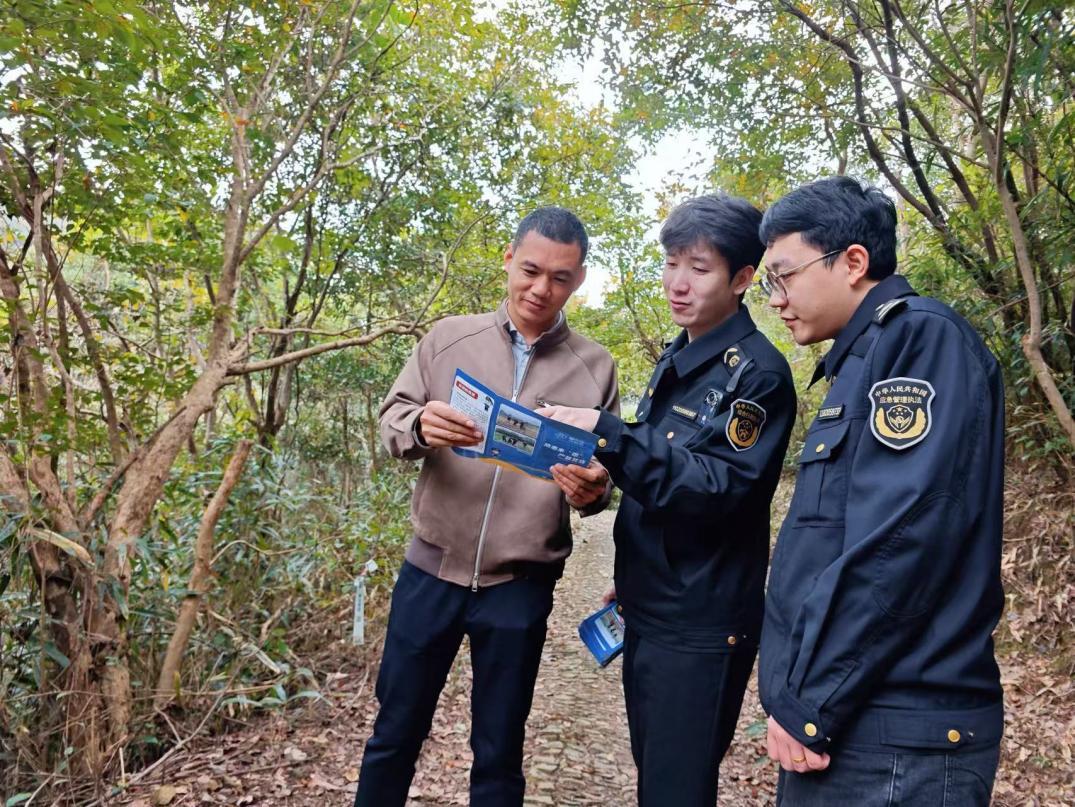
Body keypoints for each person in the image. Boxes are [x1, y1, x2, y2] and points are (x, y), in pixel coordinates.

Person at [355, 207, 619, 807]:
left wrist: (595, 490)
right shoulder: (450, 338)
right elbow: (393, 421)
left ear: (578, 280)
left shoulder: (595, 367)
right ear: (508, 260)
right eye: (530, 270)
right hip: (430, 571)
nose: (541, 288)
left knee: (499, 750)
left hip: (520, 586)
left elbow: (606, 472)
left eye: (559, 277)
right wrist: (420, 425)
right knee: (394, 733)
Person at [541, 194, 796, 806]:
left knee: (676, 787)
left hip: (700, 624)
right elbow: (659, 480)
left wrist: (607, 431)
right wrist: (635, 574)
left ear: (742, 279)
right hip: (652, 605)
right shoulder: (679, 354)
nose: (678, 283)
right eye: (671, 263)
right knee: (656, 775)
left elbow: (716, 487)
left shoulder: (757, 375)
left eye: (699, 268)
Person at [757, 177, 1005, 805]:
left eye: (784, 276)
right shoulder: (863, 357)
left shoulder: (919, 339)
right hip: (858, 719)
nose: (776, 299)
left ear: (852, 262)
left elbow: (904, 539)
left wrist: (812, 700)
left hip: (896, 735)